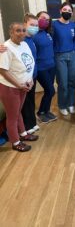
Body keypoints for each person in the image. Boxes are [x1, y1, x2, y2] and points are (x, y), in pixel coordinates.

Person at [0, 22, 38, 152]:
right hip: (10, 87)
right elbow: (3, 71)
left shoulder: (25, 44)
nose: (21, 33)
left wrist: (30, 80)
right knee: (12, 116)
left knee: (18, 112)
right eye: (18, 31)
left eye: (23, 30)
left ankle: (23, 134)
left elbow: (29, 64)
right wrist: (19, 85)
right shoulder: (6, 48)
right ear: (11, 32)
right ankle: (15, 142)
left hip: (23, 85)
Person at [52, 2, 75, 116]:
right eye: (65, 9)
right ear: (60, 10)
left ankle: (71, 104)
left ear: (72, 13)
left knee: (72, 81)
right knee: (63, 83)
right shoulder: (54, 24)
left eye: (69, 10)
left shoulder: (73, 25)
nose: (67, 12)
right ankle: (62, 105)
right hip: (60, 56)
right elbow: (50, 41)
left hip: (72, 55)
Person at [33, 11, 57, 123]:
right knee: (50, 90)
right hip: (41, 68)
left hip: (51, 66)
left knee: (49, 90)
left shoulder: (48, 33)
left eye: (48, 20)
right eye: (43, 18)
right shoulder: (32, 35)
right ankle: (41, 112)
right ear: (37, 18)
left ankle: (46, 111)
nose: (45, 21)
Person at [21, 13, 40, 134]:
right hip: (24, 78)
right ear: (25, 24)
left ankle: (32, 123)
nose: (34, 27)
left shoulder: (31, 40)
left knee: (31, 101)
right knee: (26, 103)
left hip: (33, 76)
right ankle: (27, 126)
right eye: (31, 25)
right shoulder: (20, 40)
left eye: (36, 25)